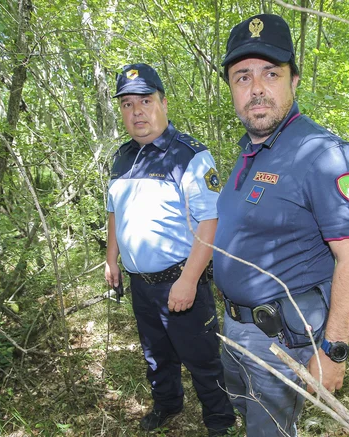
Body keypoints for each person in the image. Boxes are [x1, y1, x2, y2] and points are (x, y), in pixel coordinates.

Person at [213, 14, 349, 436]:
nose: (256, 88)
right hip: (236, 326)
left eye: (271, 73)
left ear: (294, 80)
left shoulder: (321, 153)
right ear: (231, 89)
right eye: (242, 77)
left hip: (279, 339)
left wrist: (334, 351)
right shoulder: (249, 151)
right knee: (249, 417)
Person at [104, 63, 235, 436]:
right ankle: (168, 405)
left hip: (180, 281)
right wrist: (110, 259)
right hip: (139, 284)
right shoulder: (122, 157)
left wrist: (189, 280)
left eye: (145, 100)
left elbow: (210, 221)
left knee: (201, 357)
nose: (137, 111)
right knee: (155, 354)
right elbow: (114, 211)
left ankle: (220, 421)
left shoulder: (190, 156)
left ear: (162, 102)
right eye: (127, 104)